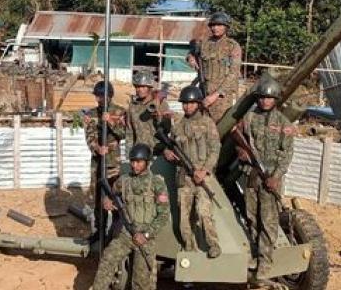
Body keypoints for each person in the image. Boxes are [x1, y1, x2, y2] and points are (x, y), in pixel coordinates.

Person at [234, 78, 296, 282]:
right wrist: (241, 151)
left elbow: (286, 154)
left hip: (270, 178)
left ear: (276, 99)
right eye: (262, 97)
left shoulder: (284, 124)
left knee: (268, 222)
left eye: (269, 98)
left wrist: (276, 177)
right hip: (252, 175)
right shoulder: (249, 118)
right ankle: (255, 255)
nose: (265, 101)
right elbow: (239, 140)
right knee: (252, 217)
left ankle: (265, 262)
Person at [92, 144, 170, 290]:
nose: (134, 165)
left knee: (140, 281)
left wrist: (146, 235)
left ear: (147, 162)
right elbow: (110, 195)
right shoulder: (124, 180)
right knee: (107, 260)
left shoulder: (157, 183)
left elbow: (163, 215)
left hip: (146, 237)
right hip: (126, 233)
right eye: (132, 161)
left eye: (139, 162)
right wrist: (107, 202)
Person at [163, 85, 221, 258]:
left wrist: (205, 170)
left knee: (204, 213)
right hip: (184, 178)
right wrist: (167, 153)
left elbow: (215, 149)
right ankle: (189, 247)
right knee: (184, 217)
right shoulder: (178, 126)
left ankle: (213, 244)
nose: (187, 106)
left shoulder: (207, 123)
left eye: (191, 103)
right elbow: (169, 146)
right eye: (184, 103)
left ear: (197, 103)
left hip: (202, 177)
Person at [83, 81, 127, 228]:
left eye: (101, 96)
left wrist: (111, 122)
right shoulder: (91, 114)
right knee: (97, 198)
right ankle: (99, 230)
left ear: (109, 96)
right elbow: (89, 136)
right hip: (97, 163)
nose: (98, 100)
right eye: (97, 96)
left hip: (113, 163)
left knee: (115, 196)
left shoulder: (120, 112)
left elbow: (123, 134)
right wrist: (96, 147)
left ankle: (116, 229)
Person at [186, 11, 242, 122]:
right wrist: (190, 59)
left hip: (222, 97)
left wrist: (215, 95)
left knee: (221, 128)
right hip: (203, 92)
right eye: (213, 25)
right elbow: (191, 53)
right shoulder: (204, 43)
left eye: (219, 25)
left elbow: (233, 74)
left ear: (226, 27)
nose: (215, 28)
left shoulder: (232, 46)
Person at [125, 71, 171, 153]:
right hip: (140, 152)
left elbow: (168, 129)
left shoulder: (161, 104)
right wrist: (129, 152)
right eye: (137, 87)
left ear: (150, 87)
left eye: (143, 87)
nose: (139, 89)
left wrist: (160, 118)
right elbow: (130, 130)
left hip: (158, 150)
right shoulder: (132, 106)